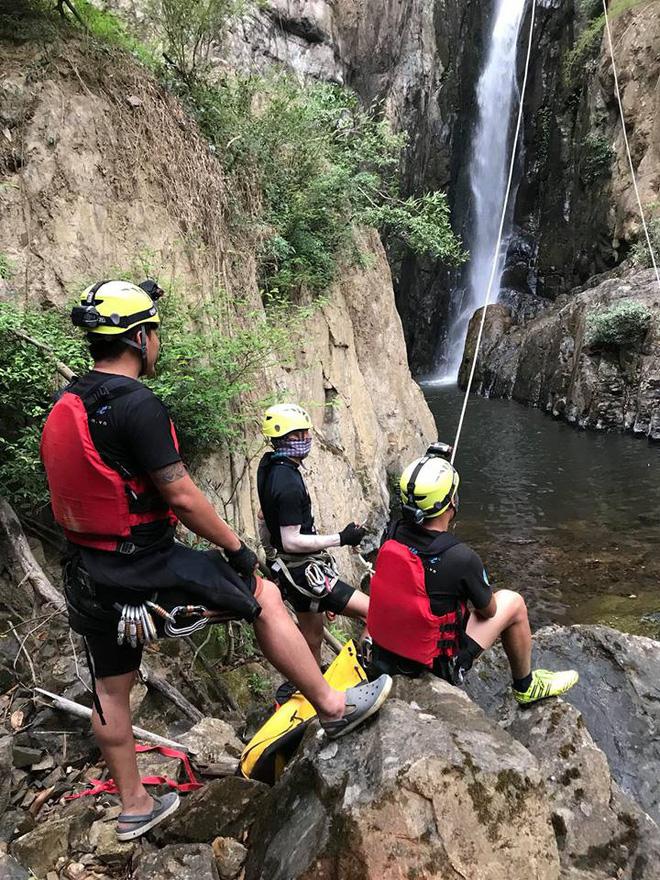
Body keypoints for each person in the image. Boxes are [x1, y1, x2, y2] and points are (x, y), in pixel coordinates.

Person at [40, 280, 391, 841]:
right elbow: (181, 496)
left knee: (111, 690)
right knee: (265, 596)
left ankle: (135, 806)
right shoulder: (137, 405)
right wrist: (237, 550)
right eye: (154, 332)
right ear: (139, 336)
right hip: (146, 564)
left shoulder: (68, 403)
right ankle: (331, 706)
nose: (157, 341)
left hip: (88, 574)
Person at [366, 447, 579, 704]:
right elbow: (489, 611)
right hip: (436, 665)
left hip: (387, 655)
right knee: (512, 602)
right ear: (452, 502)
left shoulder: (392, 532)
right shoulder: (461, 558)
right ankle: (526, 686)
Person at [257, 404, 369, 667]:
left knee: (312, 637)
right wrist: (342, 538)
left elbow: (263, 516)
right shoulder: (288, 483)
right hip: (304, 572)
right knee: (374, 612)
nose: (308, 439)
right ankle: (367, 668)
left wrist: (272, 558)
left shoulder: (271, 467)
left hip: (291, 572)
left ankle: (311, 689)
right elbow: (292, 540)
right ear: (289, 437)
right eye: (303, 434)